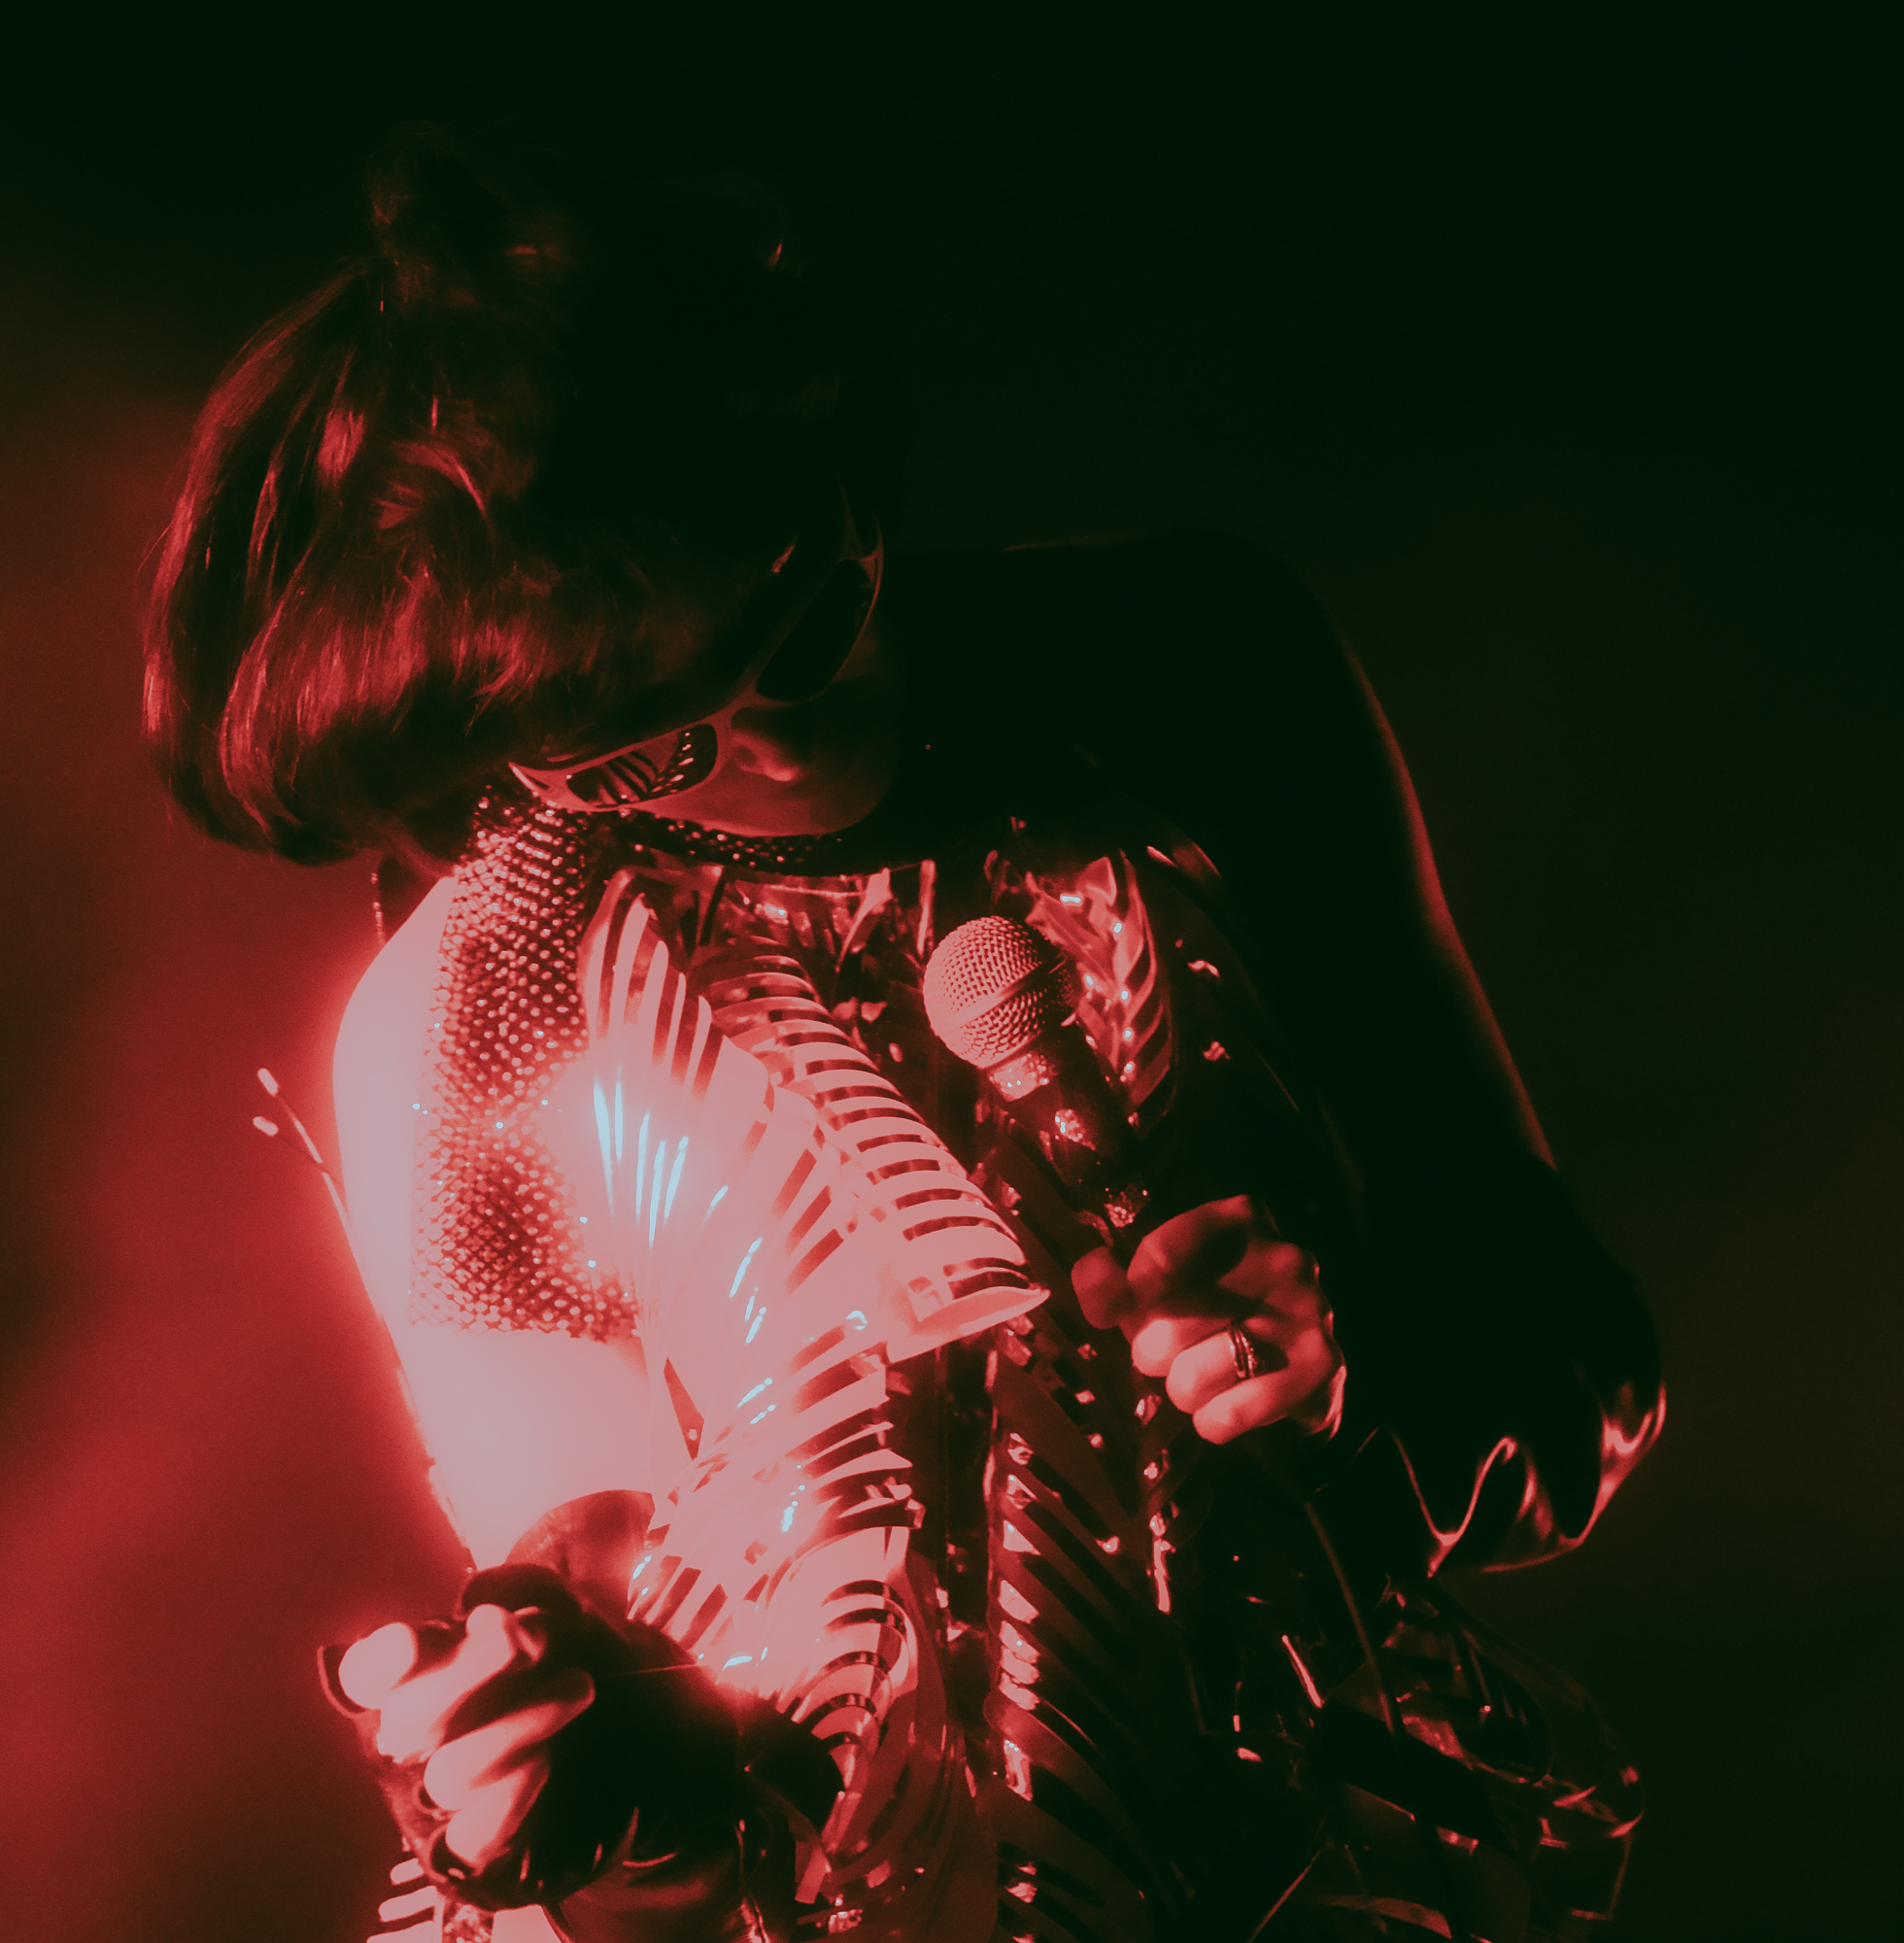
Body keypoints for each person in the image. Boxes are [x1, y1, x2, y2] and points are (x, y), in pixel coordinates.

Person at [145, 128, 1663, 1943]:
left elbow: (1565, 1359)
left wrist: (1352, 1400)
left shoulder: (1187, 673)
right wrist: (550, 1773)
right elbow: (594, 1615)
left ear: (842, 473)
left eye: (805, 621)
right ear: (510, 753)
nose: (779, 743)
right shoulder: (490, 977)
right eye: (647, 744)